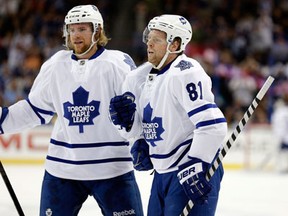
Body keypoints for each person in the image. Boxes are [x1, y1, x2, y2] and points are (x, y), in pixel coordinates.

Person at [0, 5, 144, 216]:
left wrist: (141, 138)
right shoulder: (55, 65)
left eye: (82, 29)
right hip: (62, 170)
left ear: (97, 31)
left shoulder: (117, 63)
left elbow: (137, 108)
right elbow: (34, 109)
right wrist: (3, 120)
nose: (75, 35)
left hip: (112, 169)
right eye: (72, 29)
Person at [109, 15, 228, 215]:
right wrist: (134, 134)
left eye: (157, 39)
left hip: (189, 170)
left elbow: (212, 125)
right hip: (162, 174)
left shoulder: (186, 72)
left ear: (175, 44)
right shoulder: (138, 78)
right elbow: (138, 129)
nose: (149, 42)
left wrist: (197, 163)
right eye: (149, 37)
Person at [271, 89, 288, 173]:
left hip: (283, 136)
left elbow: (282, 125)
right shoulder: (281, 111)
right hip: (283, 136)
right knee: (282, 152)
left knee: (282, 152)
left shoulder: (281, 112)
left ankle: (283, 167)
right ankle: (282, 167)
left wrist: (280, 136)